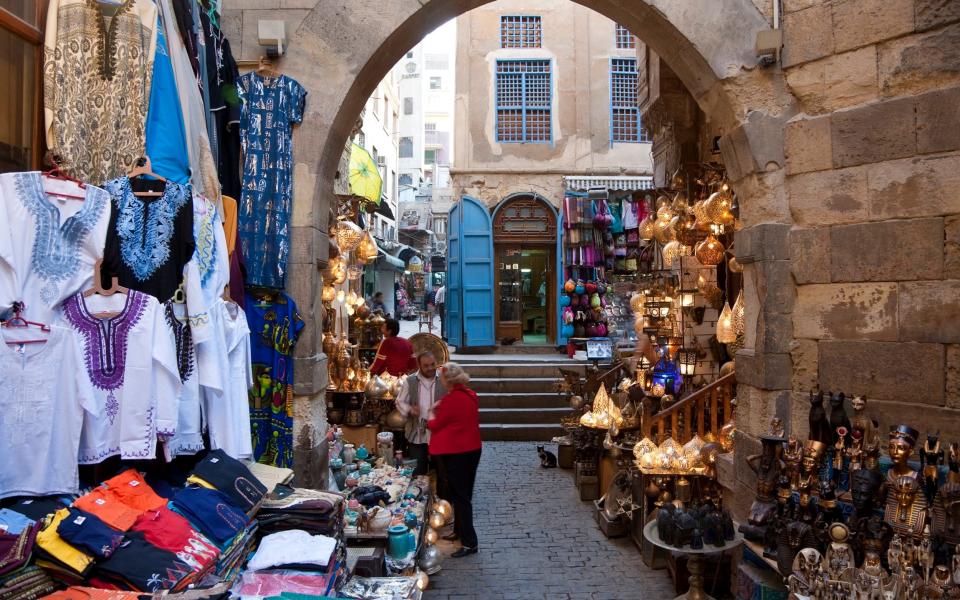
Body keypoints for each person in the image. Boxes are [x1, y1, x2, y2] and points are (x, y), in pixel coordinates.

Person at [428, 362, 482, 557]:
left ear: (447, 380)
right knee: (463, 494)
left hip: (459, 452)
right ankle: (460, 532)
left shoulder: (451, 400)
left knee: (461, 498)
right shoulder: (470, 395)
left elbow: (435, 424)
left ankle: (469, 542)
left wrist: (431, 412)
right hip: (472, 450)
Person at [395, 351, 445, 476]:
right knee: (418, 473)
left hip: (439, 435)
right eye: (426, 366)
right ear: (419, 365)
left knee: (440, 472)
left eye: (432, 364)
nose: (430, 368)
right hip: (417, 434)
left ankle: (439, 495)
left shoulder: (444, 380)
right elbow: (400, 401)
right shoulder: (410, 381)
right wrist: (410, 409)